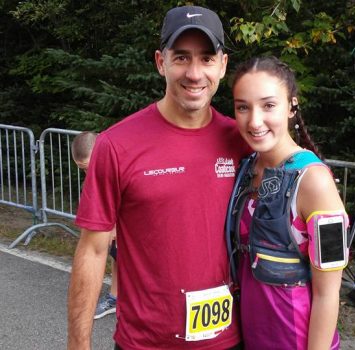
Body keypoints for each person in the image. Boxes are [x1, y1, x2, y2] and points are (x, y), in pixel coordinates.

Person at [67, 5, 249, 350]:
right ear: (160, 62)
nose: (194, 73)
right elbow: (92, 250)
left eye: (207, 58)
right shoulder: (116, 145)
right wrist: (78, 342)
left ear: (222, 66)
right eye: (181, 58)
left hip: (228, 341)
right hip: (144, 344)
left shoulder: (240, 141)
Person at [228, 56, 348, 349]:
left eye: (268, 105)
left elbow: (328, 293)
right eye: (243, 107)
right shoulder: (246, 168)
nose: (254, 121)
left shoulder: (315, 181)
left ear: (292, 106)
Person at [71, 131, 119, 320]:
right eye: (82, 169)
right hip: (113, 232)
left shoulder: (118, 168)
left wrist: (116, 229)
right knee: (117, 258)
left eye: (89, 167)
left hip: (133, 231)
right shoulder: (93, 176)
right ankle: (115, 298)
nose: (87, 173)